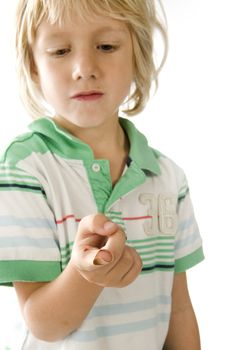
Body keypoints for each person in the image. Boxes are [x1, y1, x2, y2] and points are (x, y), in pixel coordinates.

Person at [0, 0, 204, 349]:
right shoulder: (25, 168)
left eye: (106, 46)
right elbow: (44, 324)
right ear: (34, 66)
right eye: (60, 50)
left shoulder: (168, 178)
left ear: (138, 54)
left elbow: (179, 311)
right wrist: (86, 275)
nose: (85, 68)